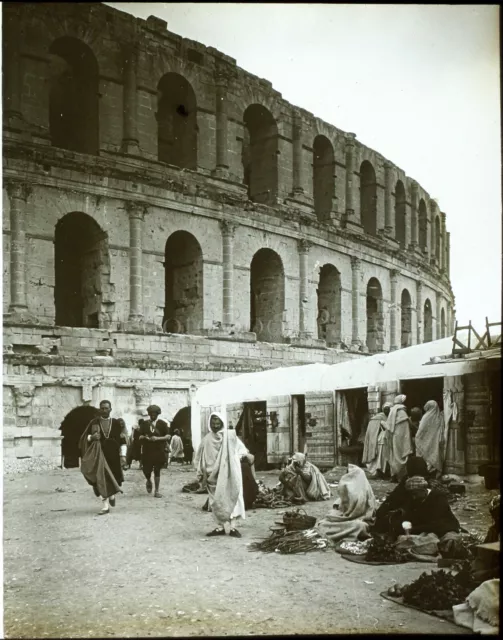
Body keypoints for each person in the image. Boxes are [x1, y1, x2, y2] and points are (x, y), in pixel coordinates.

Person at [194, 412, 249, 538]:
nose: (215, 425)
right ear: (209, 424)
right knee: (216, 502)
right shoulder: (206, 439)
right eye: (213, 422)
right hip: (212, 476)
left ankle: (233, 527)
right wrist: (200, 472)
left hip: (229, 474)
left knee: (232, 497)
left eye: (218, 422)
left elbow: (242, 450)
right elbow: (199, 457)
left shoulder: (229, 437)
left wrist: (232, 460)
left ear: (222, 423)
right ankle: (220, 527)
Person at [78, 399, 128, 515]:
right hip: (98, 456)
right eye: (102, 408)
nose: (104, 410)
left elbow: (122, 441)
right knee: (99, 480)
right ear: (99, 409)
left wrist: (123, 456)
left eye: (106, 408)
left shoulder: (116, 423)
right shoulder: (93, 423)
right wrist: (92, 437)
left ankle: (111, 496)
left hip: (113, 456)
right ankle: (105, 506)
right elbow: (85, 438)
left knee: (113, 478)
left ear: (110, 409)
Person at [317, 464, 376, 544]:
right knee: (322, 524)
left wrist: (362, 517)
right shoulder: (347, 488)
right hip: (344, 519)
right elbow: (339, 508)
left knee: (360, 526)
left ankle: (338, 533)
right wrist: (338, 513)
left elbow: (370, 516)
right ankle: (344, 533)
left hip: (357, 521)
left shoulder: (366, 493)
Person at [139, 405, 170, 498]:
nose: (153, 415)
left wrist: (157, 438)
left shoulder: (162, 424)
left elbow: (168, 436)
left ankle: (156, 491)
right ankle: (148, 480)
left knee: (157, 470)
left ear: (158, 414)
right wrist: (145, 437)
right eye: (151, 414)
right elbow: (139, 436)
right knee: (146, 470)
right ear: (148, 414)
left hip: (159, 450)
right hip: (147, 450)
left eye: (155, 414)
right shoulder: (144, 424)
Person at [383, 394, 413, 482]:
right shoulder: (402, 412)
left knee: (393, 456)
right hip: (401, 439)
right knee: (401, 456)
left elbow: (389, 426)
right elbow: (406, 430)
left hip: (393, 437)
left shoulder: (393, 410)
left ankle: (394, 476)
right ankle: (401, 477)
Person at [415, 400, 445, 477]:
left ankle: (424, 474)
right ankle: (433, 474)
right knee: (433, 456)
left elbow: (420, 431)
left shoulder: (425, 417)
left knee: (424, 458)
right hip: (434, 443)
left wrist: (417, 438)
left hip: (424, 442)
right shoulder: (440, 417)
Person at [362, 403, 392, 478]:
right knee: (381, 457)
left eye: (388, 409)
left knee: (384, 457)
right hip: (382, 439)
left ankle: (384, 472)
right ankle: (381, 472)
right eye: (385, 409)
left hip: (386, 439)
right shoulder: (379, 417)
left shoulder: (389, 417)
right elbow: (387, 428)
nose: (387, 410)